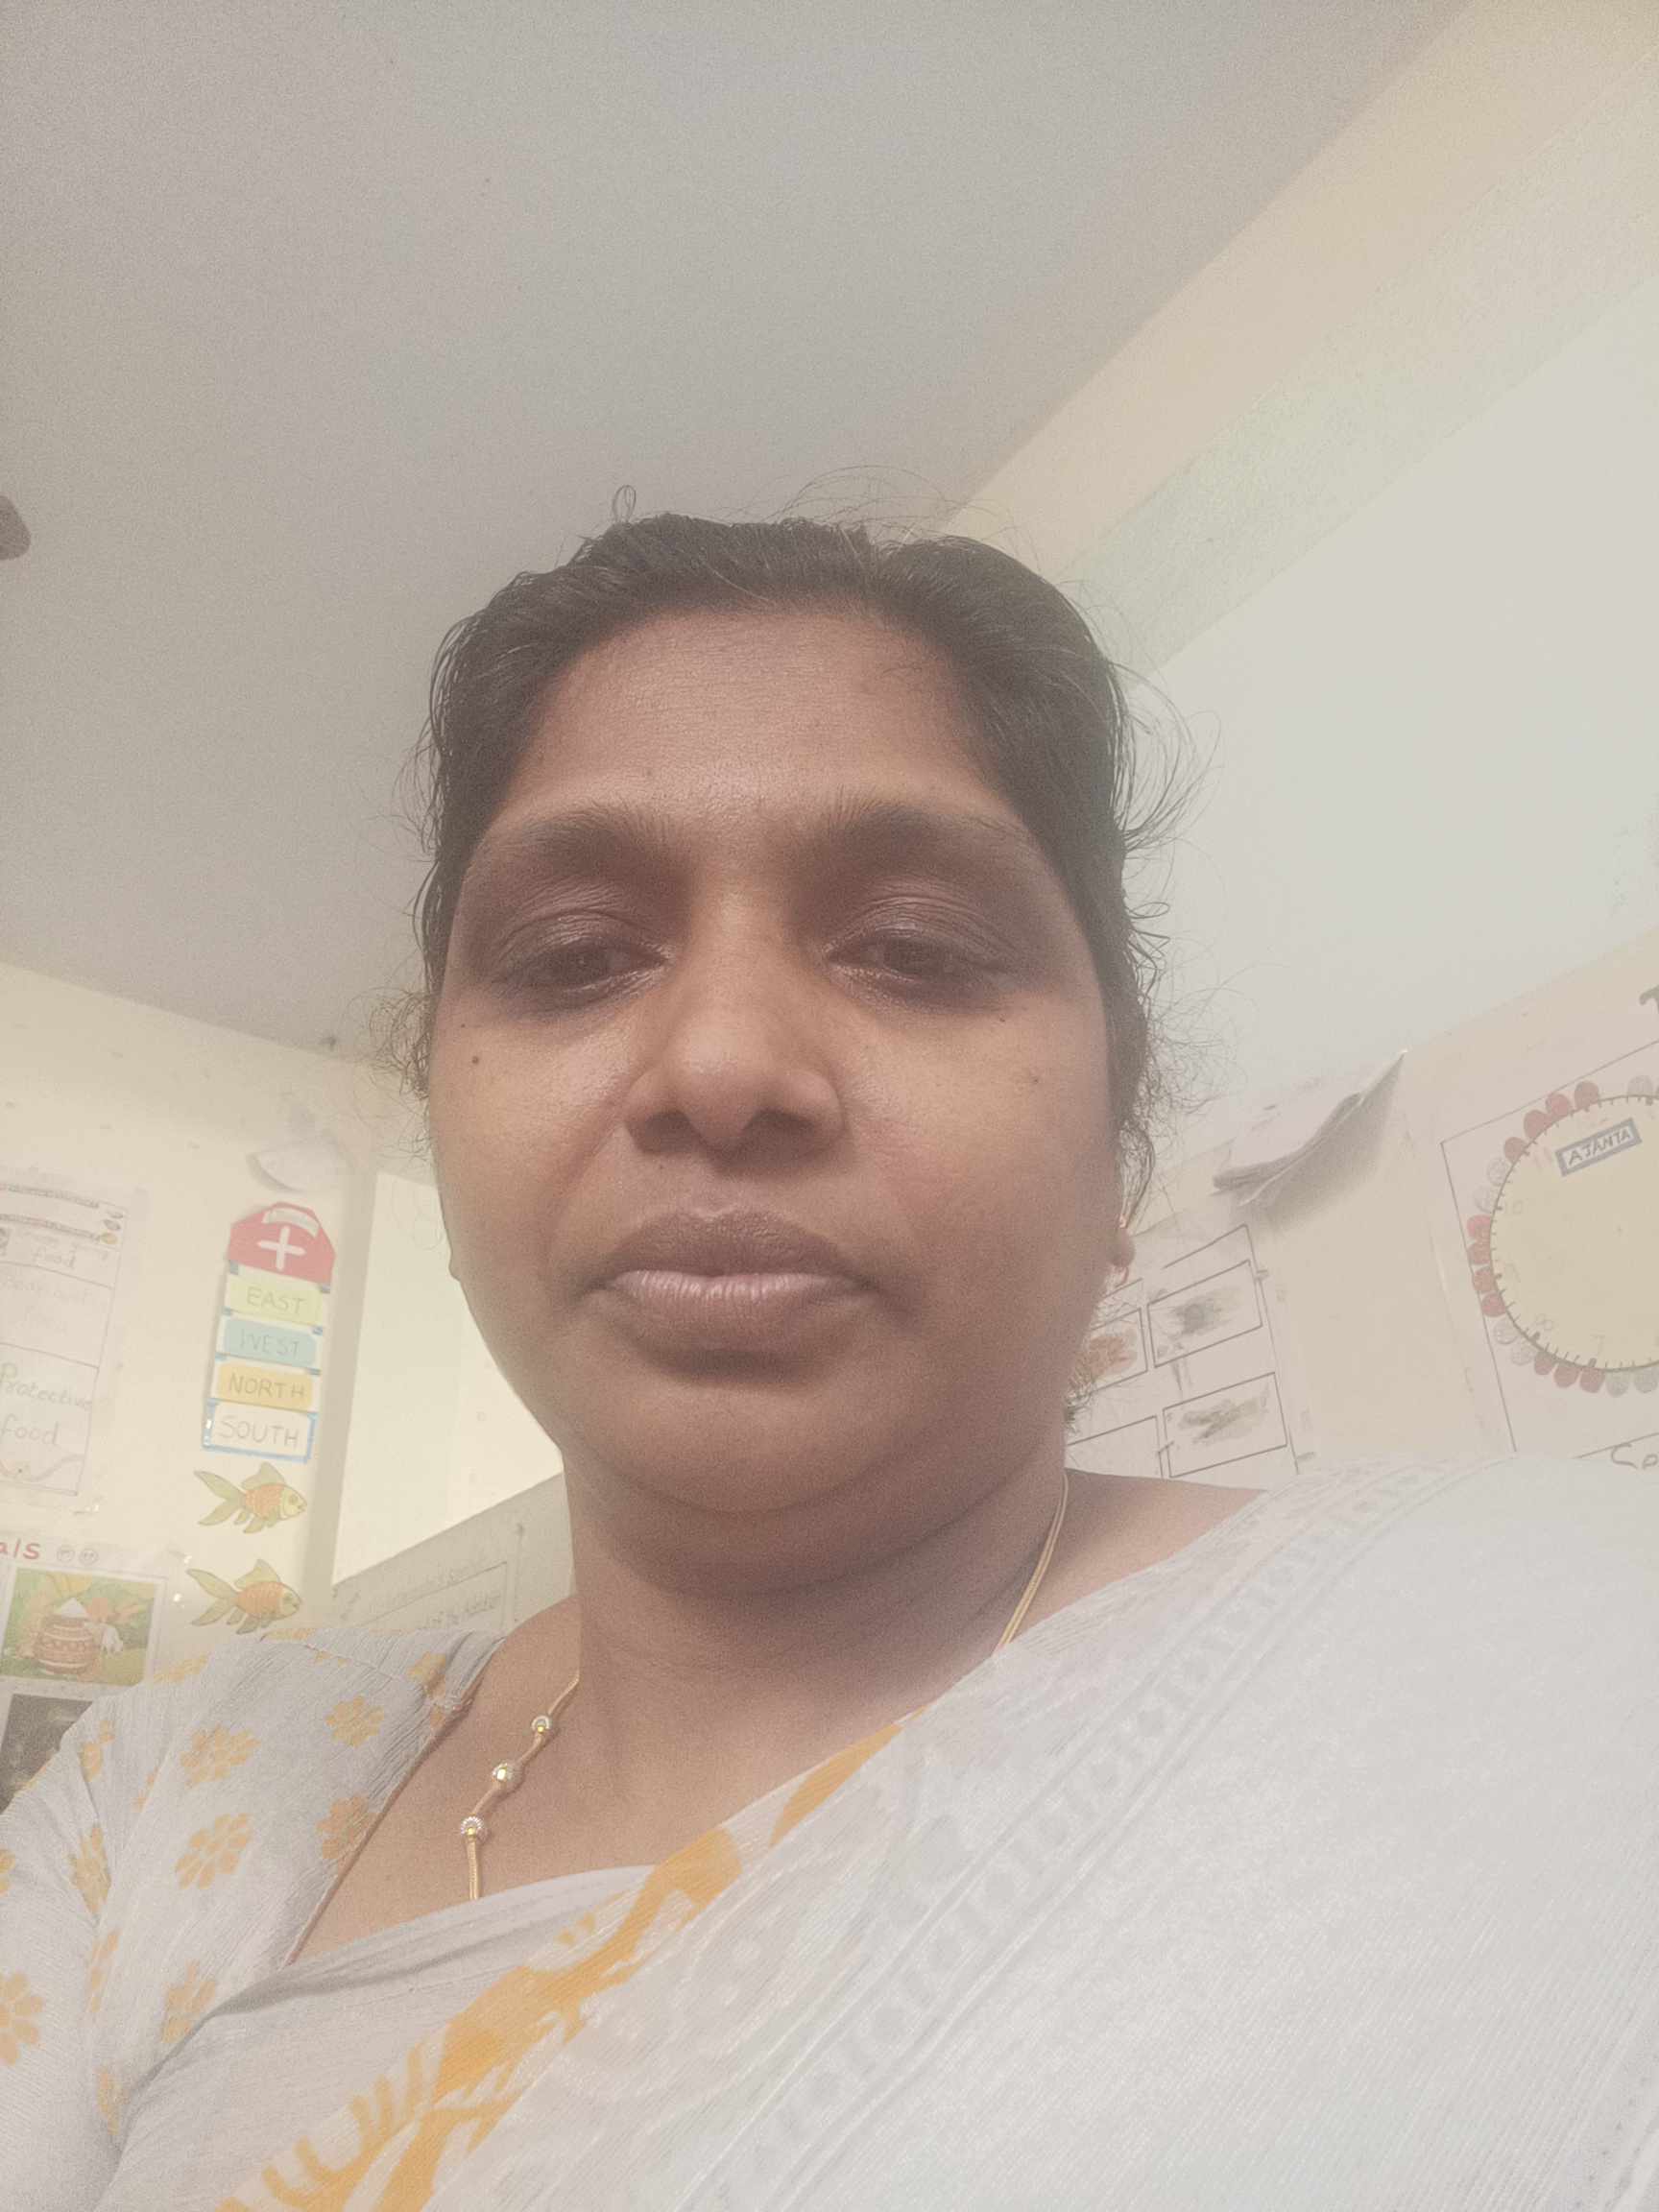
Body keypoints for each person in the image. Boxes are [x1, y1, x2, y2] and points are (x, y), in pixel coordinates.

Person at [2, 514, 1655, 2211]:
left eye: (917, 948)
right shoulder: (165, 1805)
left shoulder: (1561, 1674)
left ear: (1120, 1139)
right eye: (572, 959)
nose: (720, 1064)